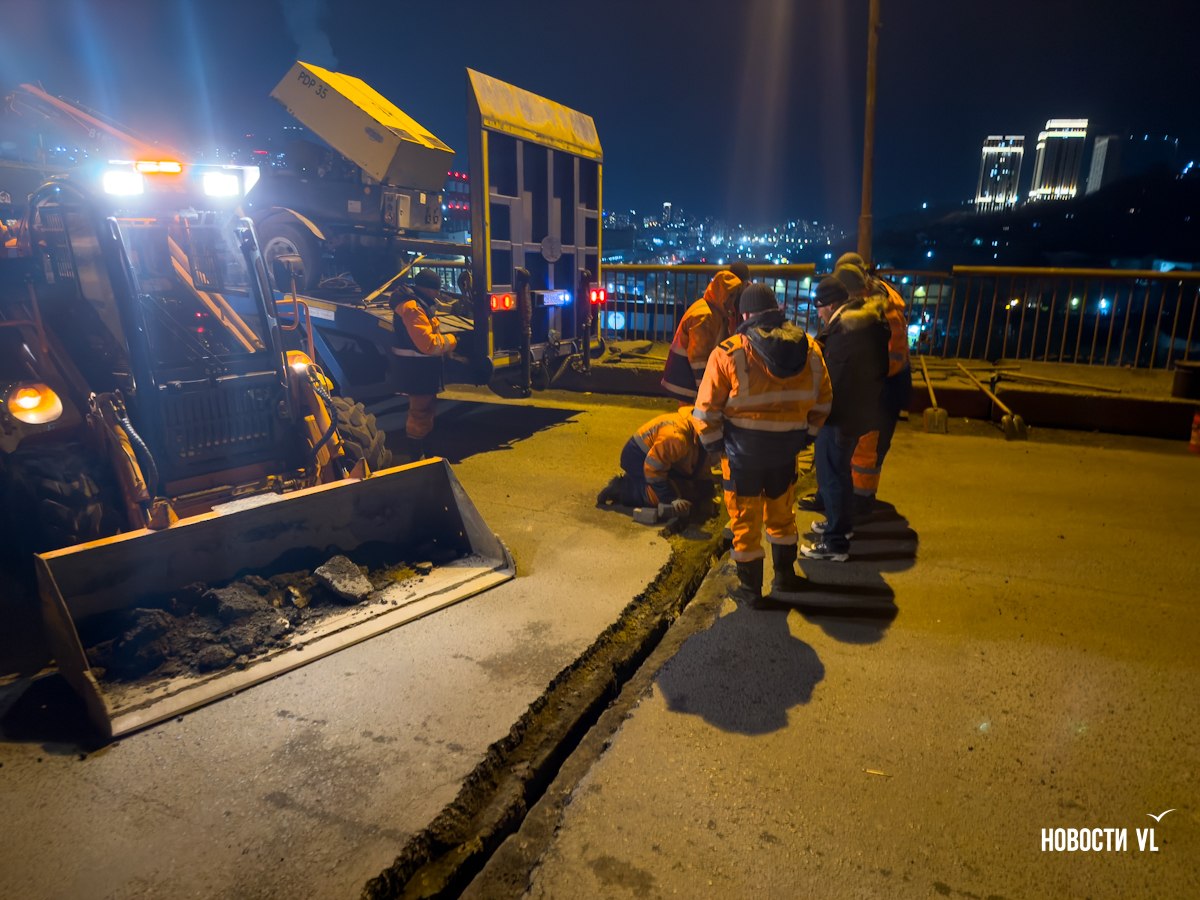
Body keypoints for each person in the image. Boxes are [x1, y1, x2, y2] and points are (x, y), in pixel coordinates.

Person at [693, 283, 832, 608]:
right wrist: (806, 436)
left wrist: (715, 448)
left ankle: (750, 591)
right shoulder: (810, 348)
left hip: (742, 457)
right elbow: (824, 401)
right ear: (777, 310)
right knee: (782, 516)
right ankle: (785, 576)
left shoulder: (729, 352)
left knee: (744, 521)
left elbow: (705, 412)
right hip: (785, 453)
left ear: (745, 314)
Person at [799, 259, 913, 514]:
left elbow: (878, 360)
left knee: (866, 450)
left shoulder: (876, 310)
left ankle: (860, 502)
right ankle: (829, 498)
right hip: (871, 384)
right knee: (835, 446)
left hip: (882, 388)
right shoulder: (869, 300)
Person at [801, 273, 890, 562]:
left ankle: (835, 543)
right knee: (840, 473)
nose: (818, 314)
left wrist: (814, 412)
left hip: (839, 417)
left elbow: (832, 382)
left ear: (828, 305)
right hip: (858, 413)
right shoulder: (864, 323)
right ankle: (841, 525)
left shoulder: (844, 332)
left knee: (831, 475)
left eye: (818, 308)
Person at [596, 408, 715, 522]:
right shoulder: (675, 437)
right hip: (637, 457)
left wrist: (706, 491)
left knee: (687, 488)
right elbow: (654, 470)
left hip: (659, 455)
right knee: (659, 498)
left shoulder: (697, 428)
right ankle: (622, 488)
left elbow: (700, 464)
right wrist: (671, 498)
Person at [391, 268, 459, 460]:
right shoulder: (413, 308)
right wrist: (453, 341)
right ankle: (416, 454)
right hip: (417, 369)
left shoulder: (421, 304)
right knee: (419, 411)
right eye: (435, 289)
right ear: (426, 288)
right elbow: (428, 345)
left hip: (423, 368)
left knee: (426, 410)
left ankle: (424, 450)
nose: (437, 294)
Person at [660, 265, 748, 404]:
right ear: (724, 295)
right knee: (692, 418)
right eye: (731, 297)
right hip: (685, 381)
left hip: (683, 378)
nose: (732, 304)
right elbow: (698, 358)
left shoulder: (711, 311)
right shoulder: (705, 316)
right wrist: (705, 390)